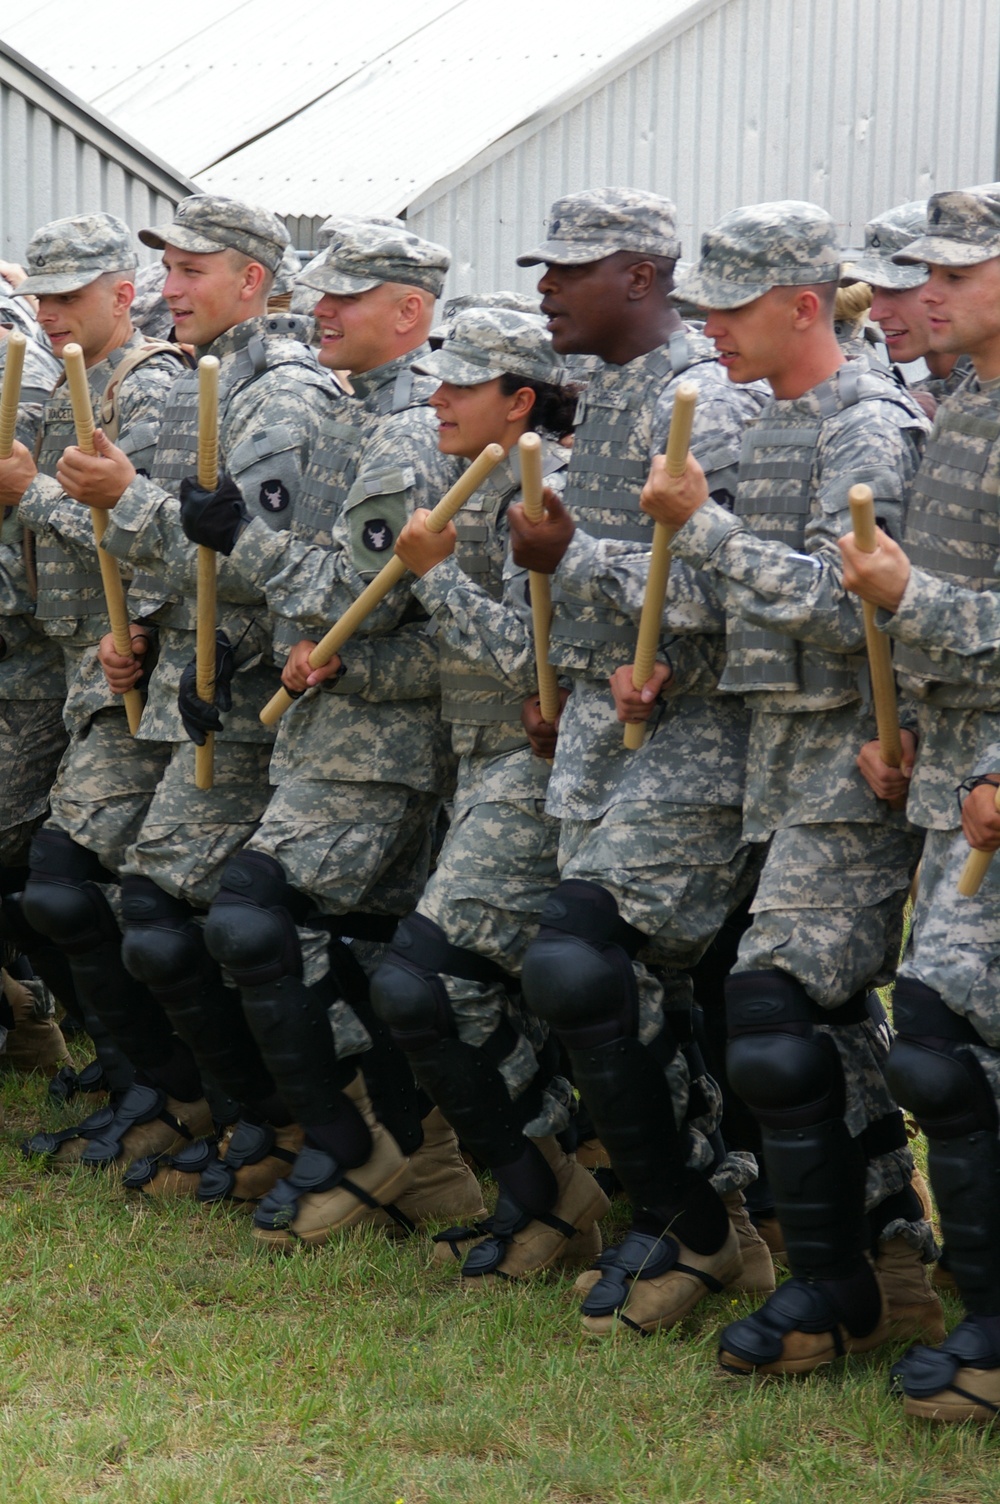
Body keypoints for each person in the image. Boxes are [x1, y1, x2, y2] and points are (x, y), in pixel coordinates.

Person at [640, 199, 940, 1376]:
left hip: (845, 748)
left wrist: (701, 531)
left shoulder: (864, 424)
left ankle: (833, 1289)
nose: (706, 323)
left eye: (729, 303)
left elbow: (852, 602)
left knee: (771, 1016)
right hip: (769, 752)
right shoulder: (774, 419)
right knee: (799, 1017)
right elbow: (742, 599)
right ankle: (889, 1256)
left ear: (800, 305)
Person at [19, 195, 336, 1179]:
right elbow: (183, 555)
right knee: (103, 897)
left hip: (240, 693)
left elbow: (256, 562)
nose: (170, 289)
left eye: (190, 271)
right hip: (176, 672)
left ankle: (288, 1122)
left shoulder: (265, 391)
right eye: (168, 270)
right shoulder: (216, 375)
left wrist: (85, 505)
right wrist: (148, 628)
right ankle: (187, 1096)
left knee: (170, 913)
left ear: (252, 279)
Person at [182, 222, 484, 1248]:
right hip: (331, 725)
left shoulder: (409, 431)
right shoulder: (365, 412)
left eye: (346, 297)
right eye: (320, 293)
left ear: (410, 310)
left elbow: (370, 604)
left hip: (385, 744)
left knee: (258, 920)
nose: (321, 311)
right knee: (337, 942)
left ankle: (357, 1144)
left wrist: (245, 543)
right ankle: (412, 1146)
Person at [504, 187, 771, 1337]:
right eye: (544, 267)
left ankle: (698, 1227)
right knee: (621, 986)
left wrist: (575, 558)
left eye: (573, 267)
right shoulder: (607, 396)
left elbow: (724, 591)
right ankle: (692, 1216)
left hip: (696, 731)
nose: (547, 286)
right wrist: (555, 669)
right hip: (604, 737)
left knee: (586, 963)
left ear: (645, 277)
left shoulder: (706, 407)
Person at [369, 306, 609, 1278]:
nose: (435, 396)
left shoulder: (547, 493)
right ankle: (537, 1192)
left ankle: (557, 1190)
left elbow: (535, 666)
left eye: (460, 384)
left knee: (424, 982)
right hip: (471, 767)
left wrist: (433, 580)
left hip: (536, 772)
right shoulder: (478, 477)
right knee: (442, 989)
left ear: (519, 400)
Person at [840, 183, 1000, 1422]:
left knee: (943, 1048)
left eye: (955, 270)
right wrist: (896, 732)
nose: (921, 292)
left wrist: (906, 596)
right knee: (940, 1054)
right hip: (957, 772)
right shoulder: (962, 406)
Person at [0, 212, 186, 1103]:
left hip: (124, 673)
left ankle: (162, 1081)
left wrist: (31, 493)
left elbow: (150, 536)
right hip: (75, 656)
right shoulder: (85, 380)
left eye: (70, 295)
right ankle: (130, 1074)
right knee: (65, 885)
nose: (51, 313)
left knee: (79, 885)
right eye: (41, 296)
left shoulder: (149, 391)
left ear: (122, 293)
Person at [845, 200, 972, 413]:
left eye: (897, 289)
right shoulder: (915, 399)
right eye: (873, 289)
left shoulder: (985, 397)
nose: (875, 314)